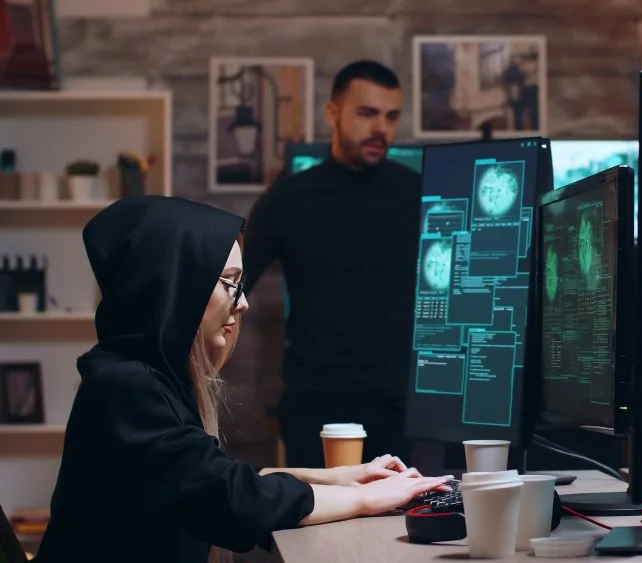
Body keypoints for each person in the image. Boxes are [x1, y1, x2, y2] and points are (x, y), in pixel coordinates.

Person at [33, 196, 448, 563]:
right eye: (230, 283)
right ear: (179, 285)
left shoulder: (145, 376)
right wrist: (365, 499)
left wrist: (337, 477)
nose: (244, 303)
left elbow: (211, 478)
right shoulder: (123, 387)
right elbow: (231, 501)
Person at [242, 60, 422, 468]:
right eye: (367, 113)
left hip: (397, 405)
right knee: (313, 527)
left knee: (390, 529)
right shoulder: (289, 198)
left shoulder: (418, 194)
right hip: (316, 404)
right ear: (332, 113)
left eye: (391, 116)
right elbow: (232, 283)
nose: (381, 128)